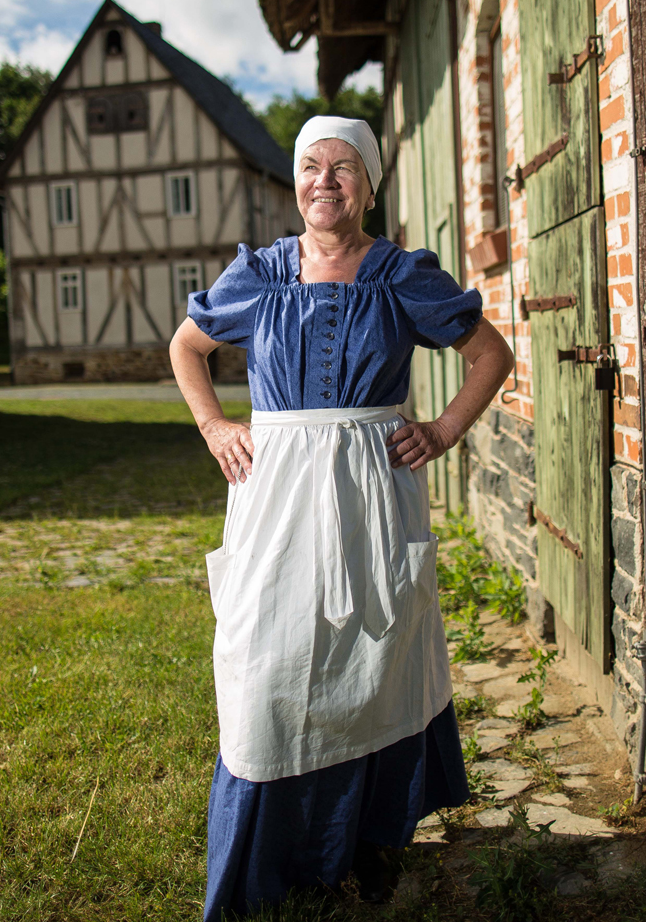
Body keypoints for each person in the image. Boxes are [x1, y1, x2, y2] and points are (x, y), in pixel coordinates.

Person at [170, 115, 514, 919]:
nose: (325, 181)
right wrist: (216, 427)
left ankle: (361, 850)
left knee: (371, 659)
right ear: (295, 181)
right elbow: (188, 348)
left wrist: (443, 429)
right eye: (311, 167)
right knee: (263, 665)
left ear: (369, 182)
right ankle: (266, 863)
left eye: (344, 168)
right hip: (276, 491)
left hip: (370, 488)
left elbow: (490, 354)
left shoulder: (399, 274)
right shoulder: (257, 274)